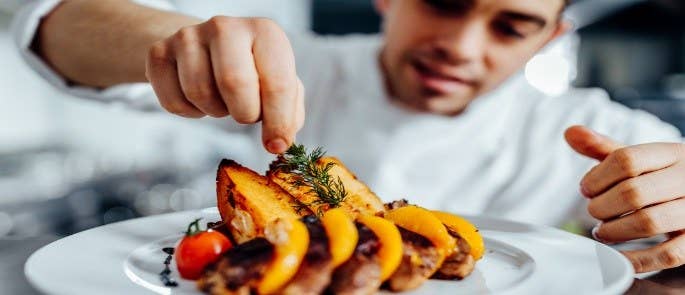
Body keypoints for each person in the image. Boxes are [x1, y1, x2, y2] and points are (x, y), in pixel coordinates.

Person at [13, 0, 685, 273]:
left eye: (509, 25)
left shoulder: (600, 129)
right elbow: (43, 27)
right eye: (442, 1)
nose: (457, 45)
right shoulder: (305, 67)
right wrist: (165, 42)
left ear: (552, 37)